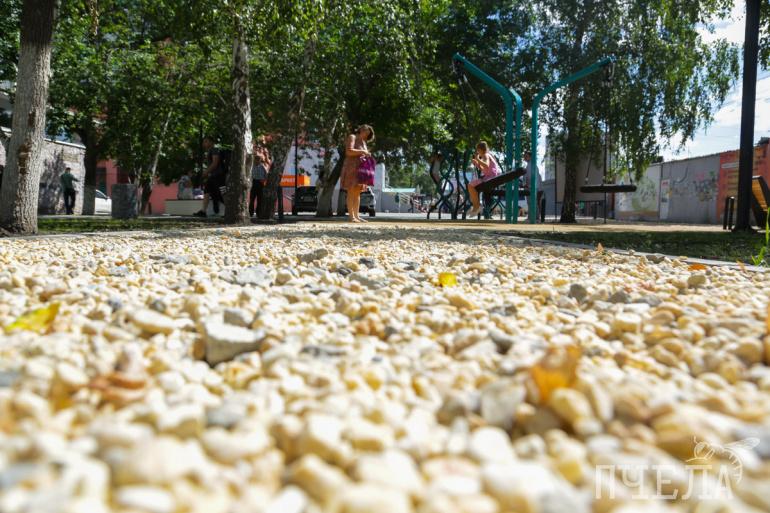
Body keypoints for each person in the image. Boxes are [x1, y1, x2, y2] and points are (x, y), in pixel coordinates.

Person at [339, 124, 375, 223]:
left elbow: (362, 153)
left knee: (357, 192)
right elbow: (349, 152)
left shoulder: (363, 142)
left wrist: (366, 154)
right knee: (351, 191)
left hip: (361, 170)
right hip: (351, 168)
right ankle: (351, 217)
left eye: (368, 135)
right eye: (365, 133)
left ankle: (357, 216)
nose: (366, 136)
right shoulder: (352, 137)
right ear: (361, 130)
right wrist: (363, 151)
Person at [467, 141, 501, 218]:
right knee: (471, 186)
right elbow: (484, 169)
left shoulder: (486, 155)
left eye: (478, 150)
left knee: (470, 185)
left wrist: (477, 159)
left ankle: (477, 206)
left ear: (481, 149)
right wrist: (477, 163)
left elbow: (486, 165)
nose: (477, 151)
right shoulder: (487, 155)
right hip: (490, 177)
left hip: (489, 178)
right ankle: (476, 206)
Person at [194, 136, 226, 217]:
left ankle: (230, 211)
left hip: (219, 176)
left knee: (223, 193)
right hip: (213, 176)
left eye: (206, 141)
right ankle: (203, 211)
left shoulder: (214, 149)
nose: (204, 143)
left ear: (211, 142)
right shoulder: (210, 151)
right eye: (204, 142)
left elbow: (215, 163)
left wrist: (206, 172)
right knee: (206, 191)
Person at [250, 138, 271, 217]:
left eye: (258, 159)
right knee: (252, 199)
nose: (256, 160)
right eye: (255, 159)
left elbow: (266, 175)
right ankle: (250, 212)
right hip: (254, 182)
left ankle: (258, 213)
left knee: (260, 199)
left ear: (260, 160)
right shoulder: (252, 167)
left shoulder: (262, 167)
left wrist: (264, 181)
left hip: (260, 183)